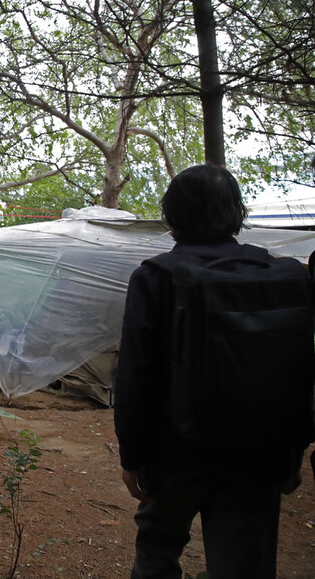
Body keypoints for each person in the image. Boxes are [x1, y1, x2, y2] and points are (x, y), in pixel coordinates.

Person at [114, 164, 306, 579]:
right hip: (258, 455)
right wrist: (291, 455)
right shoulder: (278, 276)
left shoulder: (154, 277)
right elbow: (298, 368)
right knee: (244, 565)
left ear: (171, 215)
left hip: (175, 452)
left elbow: (134, 374)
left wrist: (132, 456)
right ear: (236, 212)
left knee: (158, 552)